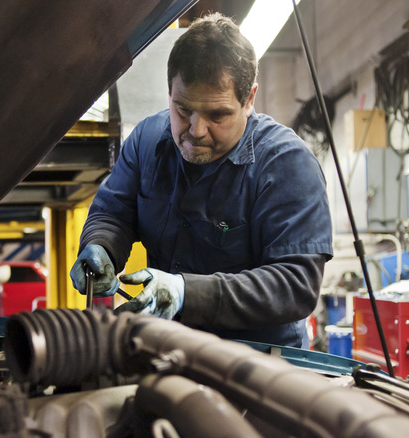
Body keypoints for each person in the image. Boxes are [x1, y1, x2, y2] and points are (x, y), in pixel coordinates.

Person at [70, 13, 333, 348]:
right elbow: (114, 213)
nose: (196, 131)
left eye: (217, 115)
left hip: (260, 368)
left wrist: (186, 292)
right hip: (167, 350)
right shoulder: (146, 143)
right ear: (169, 93)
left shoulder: (286, 165)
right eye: (183, 110)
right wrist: (101, 245)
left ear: (249, 99)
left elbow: (295, 285)